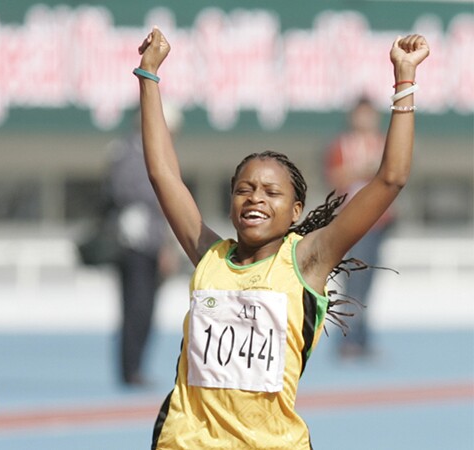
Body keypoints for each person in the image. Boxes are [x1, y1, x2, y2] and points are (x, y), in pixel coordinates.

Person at [133, 27, 428, 448]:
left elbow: (391, 178)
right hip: (184, 441)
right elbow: (163, 174)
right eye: (244, 189)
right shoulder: (209, 253)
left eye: (271, 193)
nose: (255, 199)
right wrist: (149, 75)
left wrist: (404, 80)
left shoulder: (307, 260)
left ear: (295, 213)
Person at [107, 106, 182, 387]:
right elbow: (130, 194)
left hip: (151, 243)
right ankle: (130, 370)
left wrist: (167, 246)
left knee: (146, 308)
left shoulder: (155, 153)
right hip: (133, 244)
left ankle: (136, 366)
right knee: (135, 307)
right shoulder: (127, 151)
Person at [324, 98, 394, 359]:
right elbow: (334, 177)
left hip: (379, 223)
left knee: (368, 284)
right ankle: (349, 340)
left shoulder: (383, 142)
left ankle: (361, 339)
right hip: (352, 221)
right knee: (353, 282)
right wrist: (362, 170)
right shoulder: (342, 145)